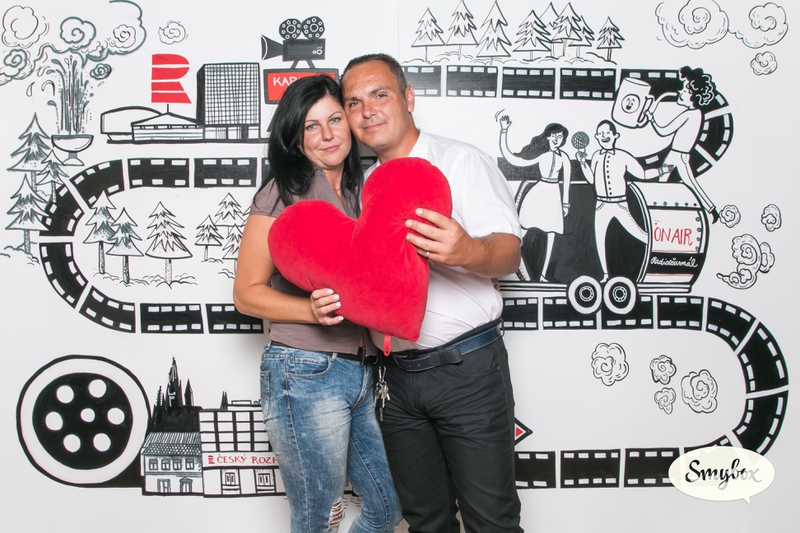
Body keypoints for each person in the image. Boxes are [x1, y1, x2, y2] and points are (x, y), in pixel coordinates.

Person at [341, 53, 524, 533]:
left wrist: (467, 249)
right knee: (425, 522)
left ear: (408, 97)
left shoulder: (460, 162)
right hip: (395, 380)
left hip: (467, 370)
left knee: (491, 521)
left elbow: (509, 253)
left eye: (380, 94)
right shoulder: (361, 188)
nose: (368, 111)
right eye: (354, 102)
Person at [233, 75, 401, 533]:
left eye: (334, 120)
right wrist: (309, 311)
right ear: (295, 137)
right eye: (311, 126)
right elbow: (246, 292)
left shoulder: (361, 194)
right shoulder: (282, 192)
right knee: (318, 520)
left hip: (362, 371)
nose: (327, 135)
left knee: (387, 510)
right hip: (304, 371)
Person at [577, 120, 673, 282]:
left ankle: (661, 256)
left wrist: (661, 170)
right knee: (600, 240)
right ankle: (605, 276)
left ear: (615, 136)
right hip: (601, 205)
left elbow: (642, 174)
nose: (604, 136)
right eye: (600, 134)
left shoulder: (623, 156)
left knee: (639, 234)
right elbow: (591, 179)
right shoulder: (596, 156)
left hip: (619, 204)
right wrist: (582, 163)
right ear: (596, 137)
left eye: (607, 133)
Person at [498, 118, 571, 282]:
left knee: (551, 234)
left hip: (554, 196)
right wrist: (504, 131)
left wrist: (565, 203)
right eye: (554, 136)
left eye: (560, 136)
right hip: (538, 194)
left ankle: (544, 275)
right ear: (548, 137)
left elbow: (566, 182)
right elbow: (513, 160)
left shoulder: (564, 158)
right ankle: (516, 268)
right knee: (522, 231)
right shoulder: (543, 156)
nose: (556, 139)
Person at [645, 66, 719, 223]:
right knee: (674, 182)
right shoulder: (697, 114)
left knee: (670, 183)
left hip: (677, 155)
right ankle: (710, 209)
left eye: (685, 90)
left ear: (694, 95)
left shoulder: (690, 114)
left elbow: (664, 131)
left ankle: (659, 213)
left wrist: (651, 118)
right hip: (679, 155)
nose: (680, 92)